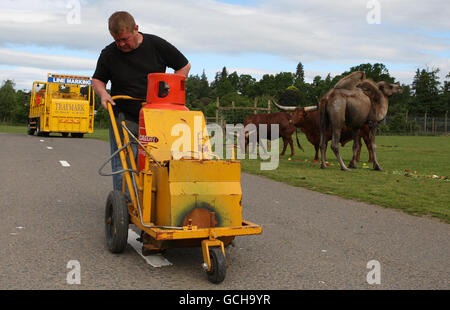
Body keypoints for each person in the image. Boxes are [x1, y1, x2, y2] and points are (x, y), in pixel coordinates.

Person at [92, 11, 191, 195]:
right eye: (117, 40)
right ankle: (126, 204)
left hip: (156, 115)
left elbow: (184, 66)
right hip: (123, 113)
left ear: (136, 29)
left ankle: (158, 199)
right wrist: (103, 94)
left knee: (157, 158)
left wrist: (169, 90)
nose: (121, 44)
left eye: (125, 39)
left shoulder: (156, 45)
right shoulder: (109, 53)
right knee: (124, 161)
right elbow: (98, 79)